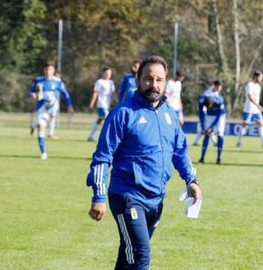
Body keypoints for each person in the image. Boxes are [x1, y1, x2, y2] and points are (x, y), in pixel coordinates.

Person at [86, 55, 202, 269]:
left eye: (159, 79)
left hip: (156, 199)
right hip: (127, 196)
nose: (154, 84)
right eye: (148, 79)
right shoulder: (122, 113)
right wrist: (99, 196)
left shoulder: (169, 114)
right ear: (138, 79)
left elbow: (180, 151)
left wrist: (191, 180)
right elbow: (102, 157)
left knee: (127, 256)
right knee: (141, 255)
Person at [29, 61, 74, 160]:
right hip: (41, 107)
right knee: (41, 127)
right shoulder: (38, 80)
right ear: (44, 70)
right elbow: (31, 91)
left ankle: (45, 129)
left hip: (53, 106)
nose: (48, 71)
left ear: (53, 70)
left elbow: (65, 94)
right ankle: (44, 152)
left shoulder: (57, 81)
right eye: (46, 69)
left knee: (51, 116)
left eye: (50, 69)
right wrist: (33, 94)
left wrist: (69, 105)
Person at [236, 70, 263, 148]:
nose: (261, 79)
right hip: (249, 109)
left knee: (261, 124)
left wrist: (258, 107)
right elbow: (250, 96)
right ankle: (238, 142)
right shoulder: (250, 84)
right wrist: (258, 105)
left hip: (256, 111)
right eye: (260, 77)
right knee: (244, 125)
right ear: (256, 77)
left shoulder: (258, 86)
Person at [198, 80, 226, 165]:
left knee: (220, 134)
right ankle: (202, 158)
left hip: (220, 116)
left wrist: (212, 127)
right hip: (209, 115)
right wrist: (204, 127)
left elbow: (219, 115)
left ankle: (218, 158)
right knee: (207, 134)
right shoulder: (203, 99)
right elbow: (201, 114)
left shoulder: (220, 100)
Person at [87, 66, 115, 142]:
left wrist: (114, 104)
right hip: (101, 105)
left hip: (107, 105)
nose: (108, 74)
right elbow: (95, 93)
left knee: (99, 120)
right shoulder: (99, 82)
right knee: (108, 120)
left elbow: (112, 95)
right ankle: (106, 138)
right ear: (103, 73)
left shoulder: (111, 83)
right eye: (106, 73)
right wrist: (91, 104)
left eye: (109, 73)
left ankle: (90, 136)